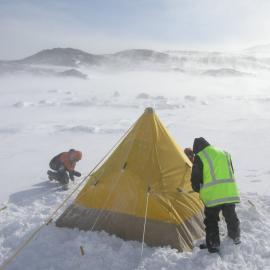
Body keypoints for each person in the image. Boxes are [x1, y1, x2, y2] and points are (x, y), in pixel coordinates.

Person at [191, 137, 240, 253]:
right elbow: (231, 171)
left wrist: (198, 189)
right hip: (229, 192)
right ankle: (235, 237)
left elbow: (195, 179)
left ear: (197, 149)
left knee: (211, 220)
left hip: (213, 196)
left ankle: (213, 244)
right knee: (230, 216)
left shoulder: (200, 156)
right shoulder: (225, 153)